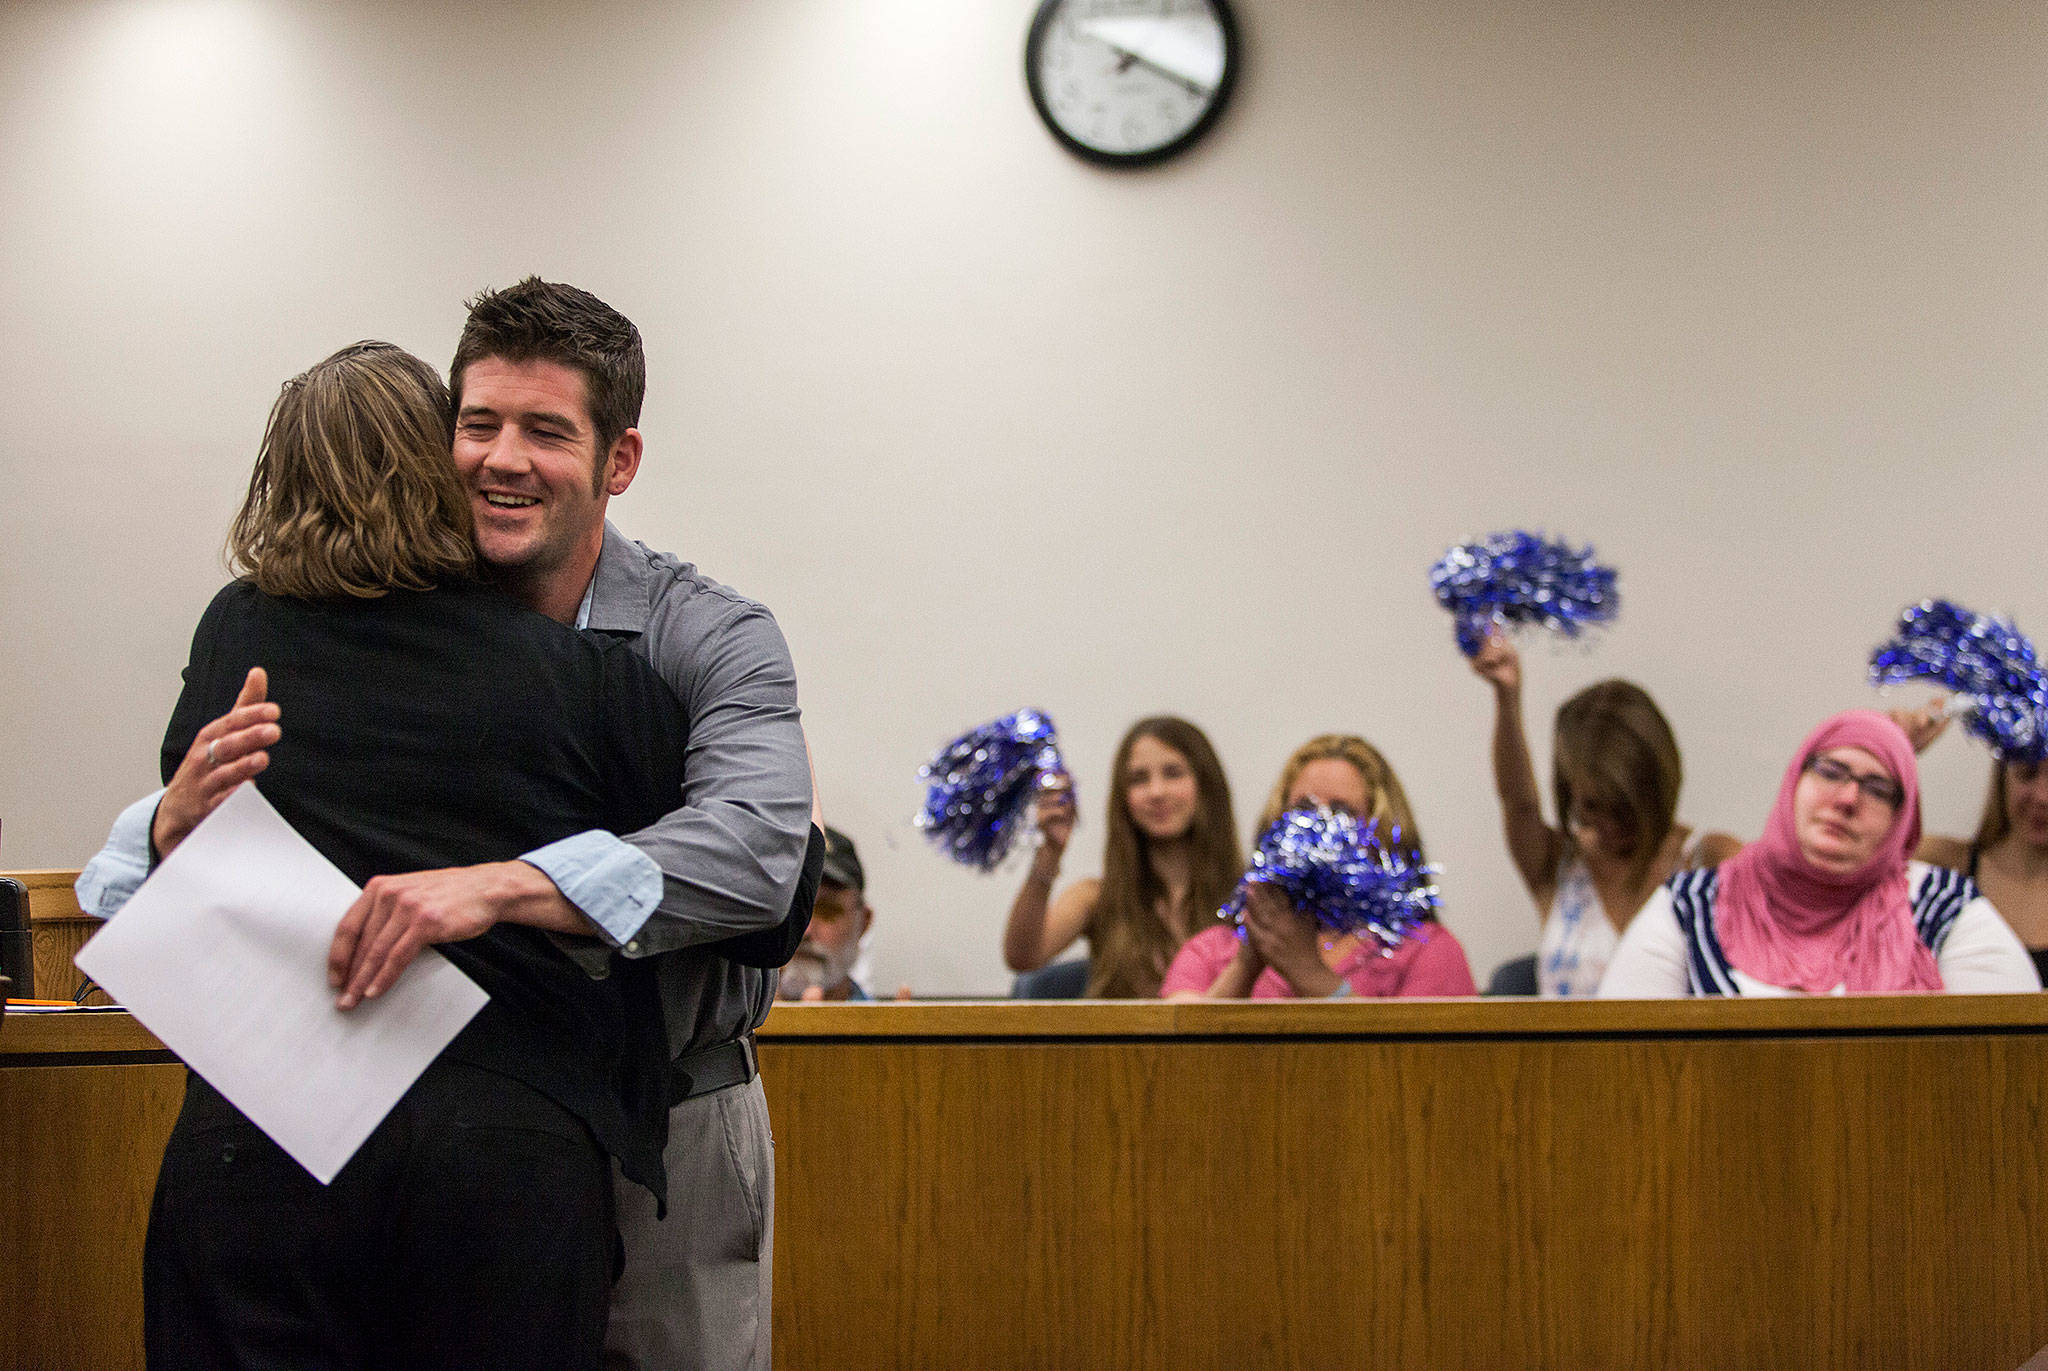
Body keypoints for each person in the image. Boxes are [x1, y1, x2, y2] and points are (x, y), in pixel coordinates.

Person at [78, 279, 818, 1371]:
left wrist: (498, 884)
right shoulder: (355, 618)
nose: (501, 458)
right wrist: (161, 827)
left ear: (618, 462)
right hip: (373, 1112)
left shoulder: (698, 637)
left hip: (666, 1099)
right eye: (477, 425)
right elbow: (254, 807)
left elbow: (765, 866)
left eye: (545, 432)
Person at [1598, 710, 2041, 997]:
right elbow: (1617, 1059)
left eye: (1876, 788)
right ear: (1795, 781)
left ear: (1901, 820)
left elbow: (2014, 1059)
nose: (1848, 798)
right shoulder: (1691, 905)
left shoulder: (1941, 904)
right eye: (1831, 771)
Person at [1467, 631, 1739, 996]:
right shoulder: (1557, 863)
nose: (1609, 826)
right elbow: (1518, 802)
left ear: (1654, 789)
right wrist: (1506, 696)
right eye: (1592, 807)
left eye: (1623, 808)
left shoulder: (1705, 860)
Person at [1161, 734, 1478, 999]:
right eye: (1304, 808)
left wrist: (1311, 974)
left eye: (1342, 811)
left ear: (1379, 829)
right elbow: (1168, 1061)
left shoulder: (1427, 950)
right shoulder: (1212, 951)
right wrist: (1246, 964)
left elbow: (1424, 1066)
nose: (1319, 825)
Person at [1002, 716, 1242, 999]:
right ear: (1123, 798)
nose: (1157, 792)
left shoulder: (1248, 898)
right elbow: (1022, 957)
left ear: (1206, 785)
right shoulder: (1097, 897)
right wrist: (1048, 854)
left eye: (1173, 773)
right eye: (1139, 779)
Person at [1894, 700, 2048, 985]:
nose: (2042, 797)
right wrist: (1891, 752)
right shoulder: (1943, 866)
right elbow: (1861, 859)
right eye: (2026, 774)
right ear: (2003, 777)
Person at [780, 826, 873, 1001]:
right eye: (791, 908)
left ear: (863, 923)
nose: (805, 932)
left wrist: (886, 1026)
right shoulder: (722, 1024)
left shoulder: (889, 1027)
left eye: (827, 910)